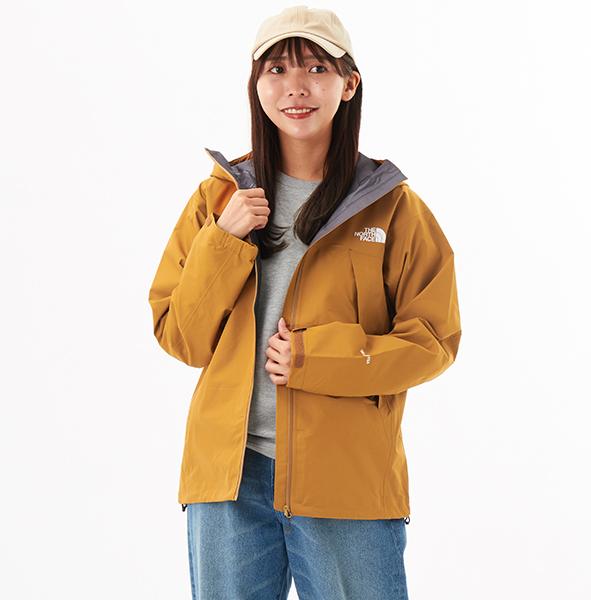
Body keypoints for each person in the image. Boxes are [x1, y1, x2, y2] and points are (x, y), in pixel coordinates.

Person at [148, 5, 462, 599]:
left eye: (316, 68)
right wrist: (224, 240)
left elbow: (433, 341)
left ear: (349, 84)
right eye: (276, 70)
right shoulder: (218, 198)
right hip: (228, 480)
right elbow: (181, 338)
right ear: (256, 86)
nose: (295, 87)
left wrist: (316, 359)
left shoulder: (392, 207)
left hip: (346, 481)